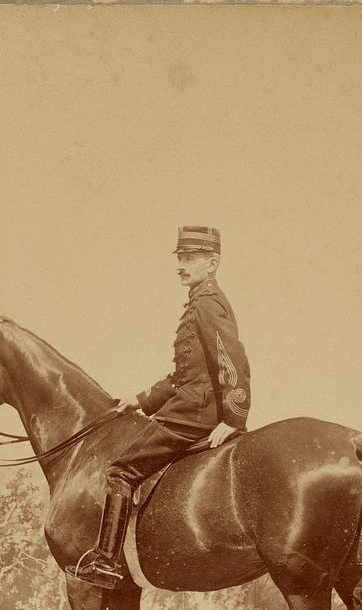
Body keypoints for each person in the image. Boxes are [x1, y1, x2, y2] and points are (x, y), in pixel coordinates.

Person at [69, 226, 251, 588]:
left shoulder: (208, 304)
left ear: (211, 263)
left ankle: (106, 560)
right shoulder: (199, 301)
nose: (180, 266)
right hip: (191, 404)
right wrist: (139, 400)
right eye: (180, 258)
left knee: (120, 470)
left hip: (195, 414)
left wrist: (234, 417)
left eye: (189, 258)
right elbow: (185, 374)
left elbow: (232, 359)